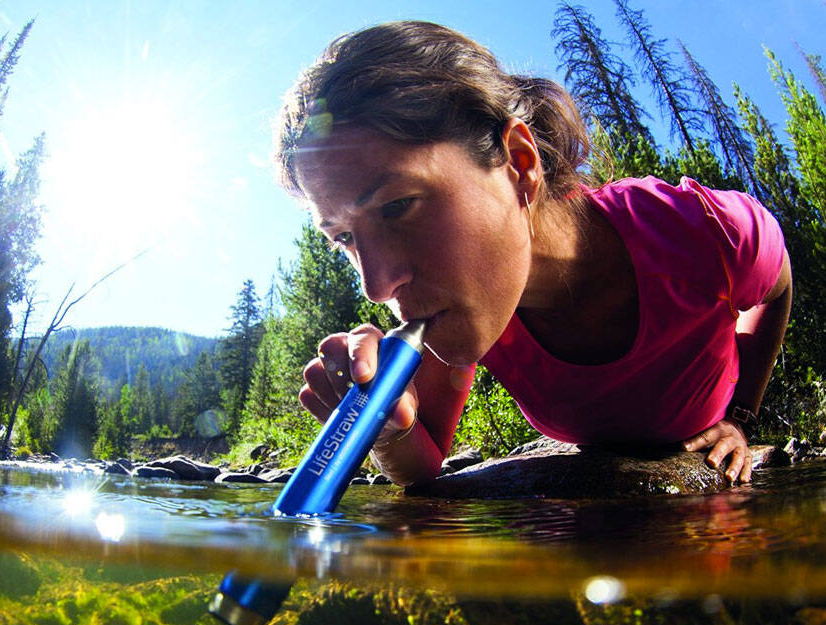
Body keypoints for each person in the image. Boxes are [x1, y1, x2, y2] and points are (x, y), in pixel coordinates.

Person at [276, 21, 792, 487]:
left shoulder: (698, 232)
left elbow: (779, 284)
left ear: (519, 164)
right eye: (343, 237)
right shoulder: (468, 305)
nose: (377, 285)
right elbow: (425, 461)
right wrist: (390, 427)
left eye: (396, 207)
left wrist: (741, 417)